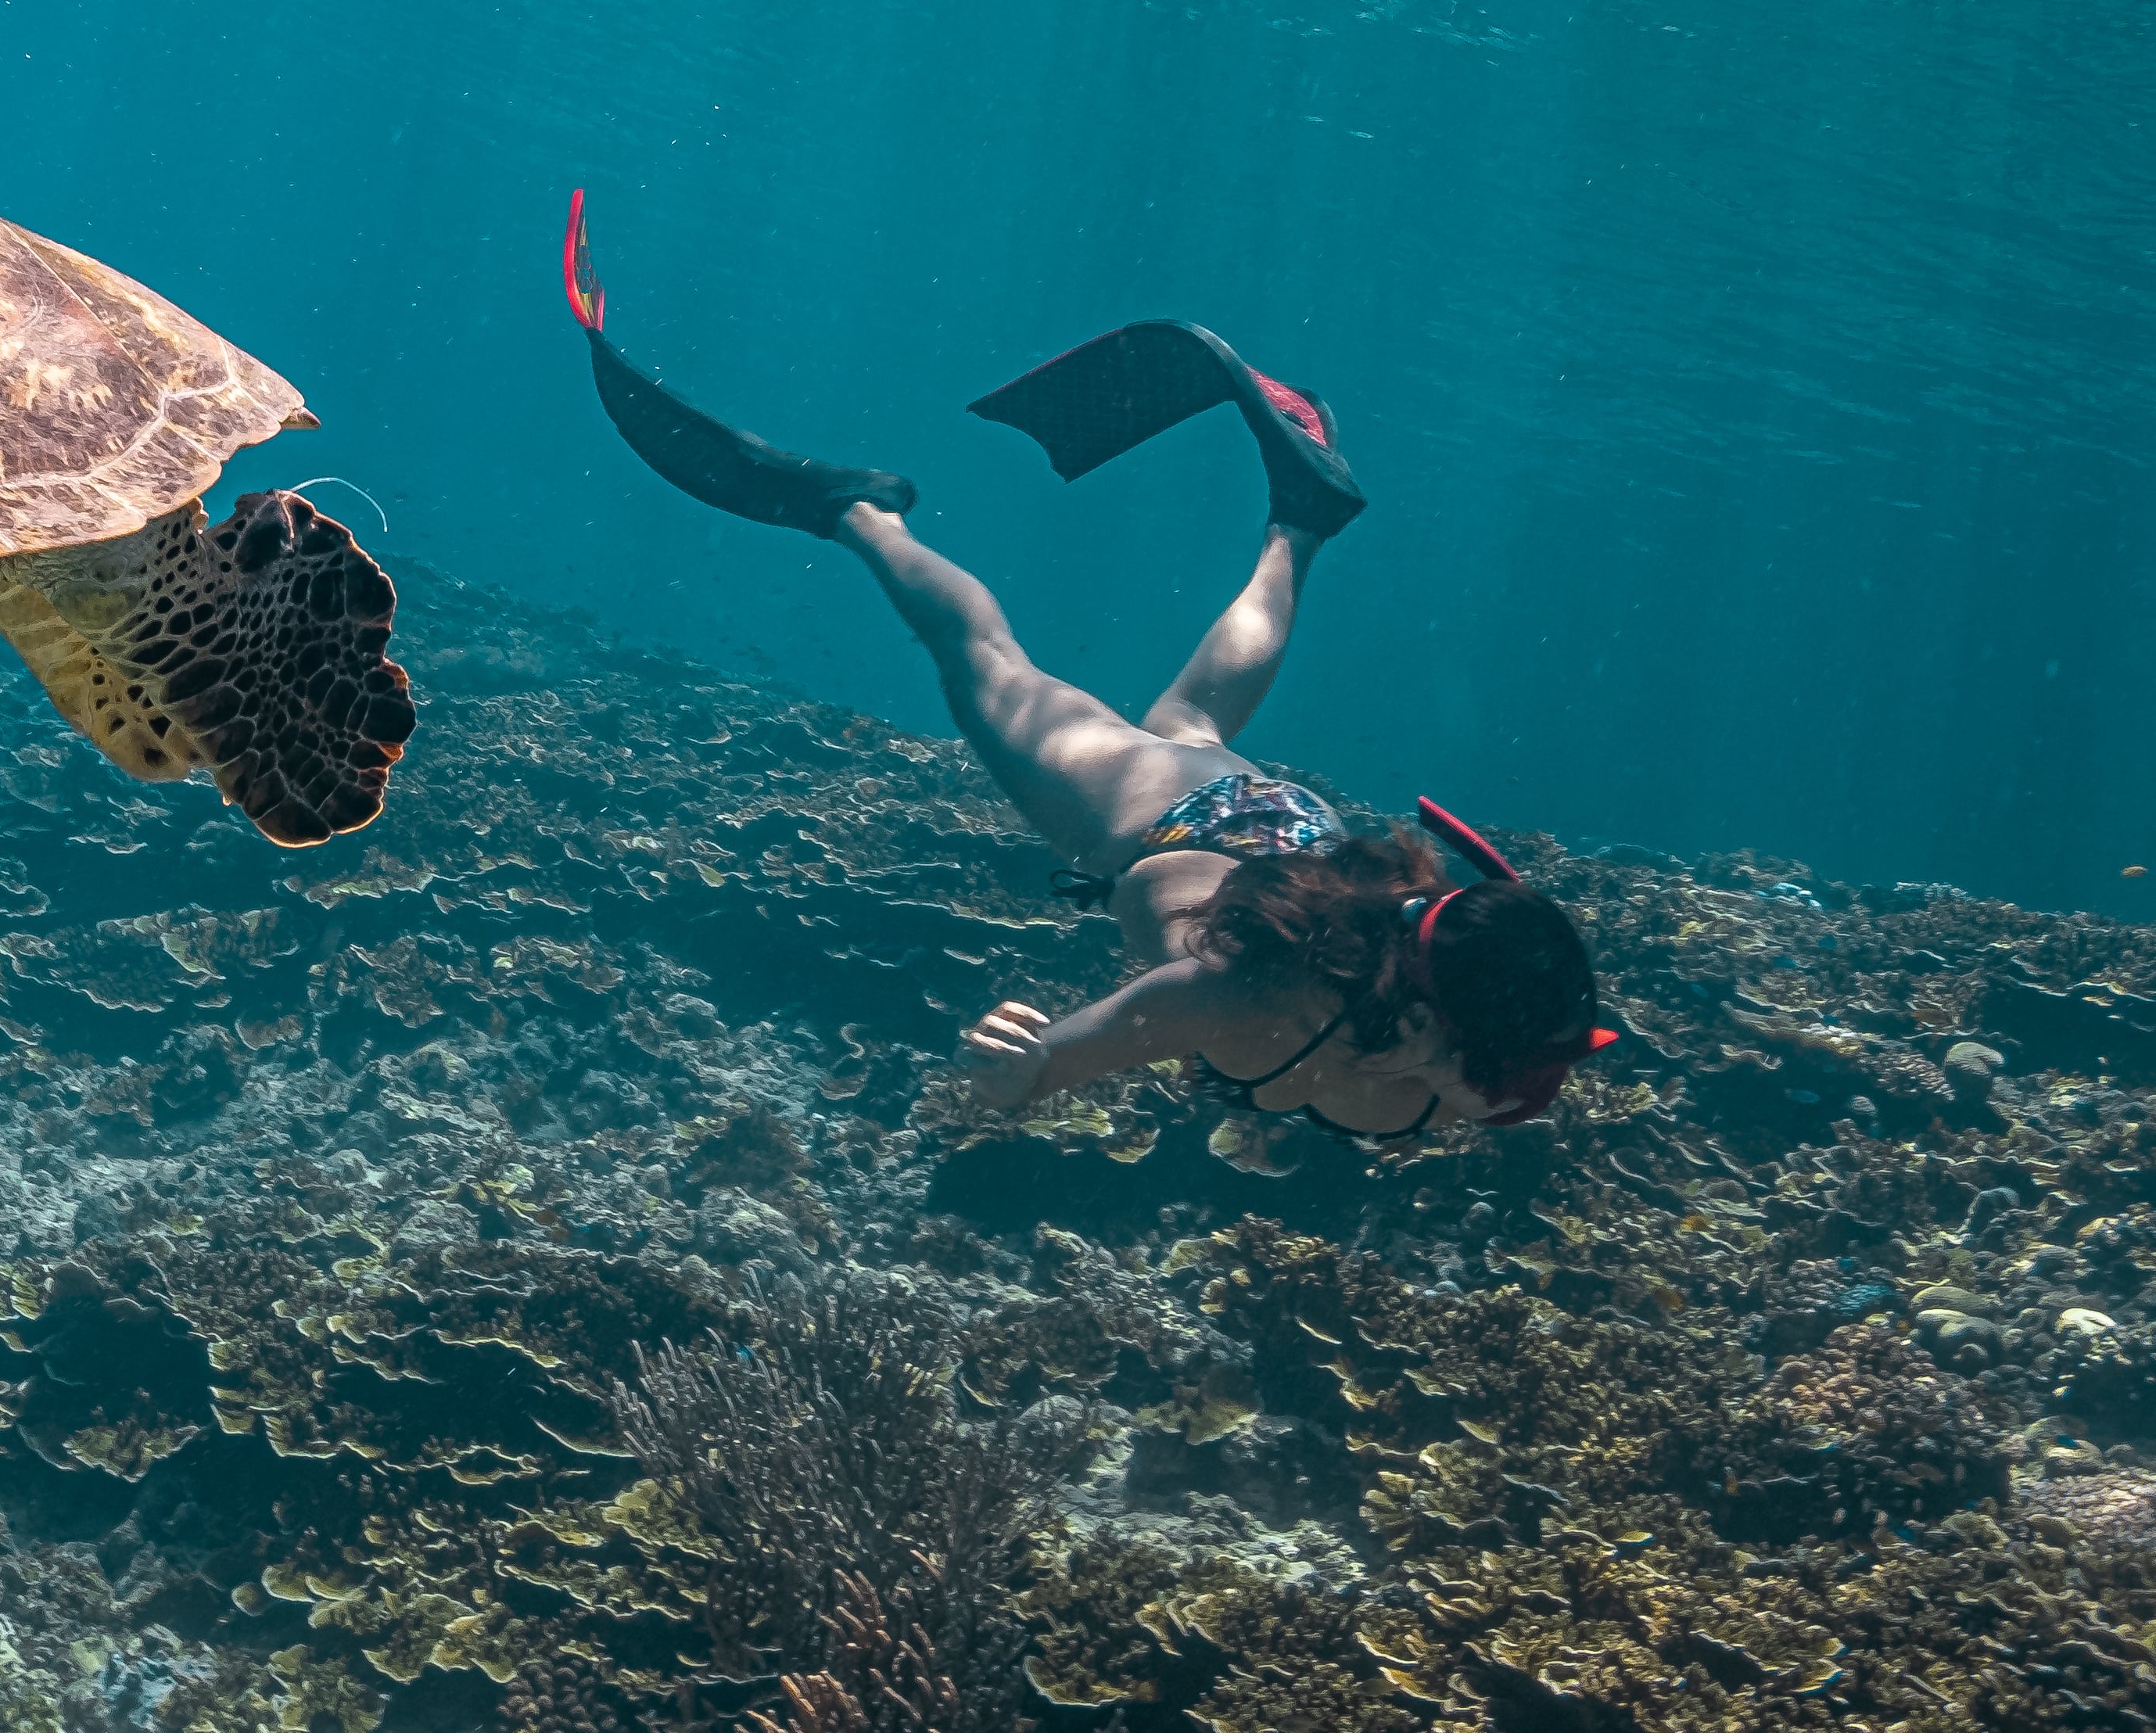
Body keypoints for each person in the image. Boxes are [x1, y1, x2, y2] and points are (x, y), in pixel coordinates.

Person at [560, 194, 1619, 1150]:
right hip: (1170, 829)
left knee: (1192, 723)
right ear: (1429, 1025)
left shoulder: (1447, 1045)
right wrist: (1012, 1065)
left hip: (1288, 837)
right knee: (985, 669)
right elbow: (1038, 1072)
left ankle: (1300, 521)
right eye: (1520, 1079)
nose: (1535, 1097)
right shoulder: (1232, 998)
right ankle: (858, 511)